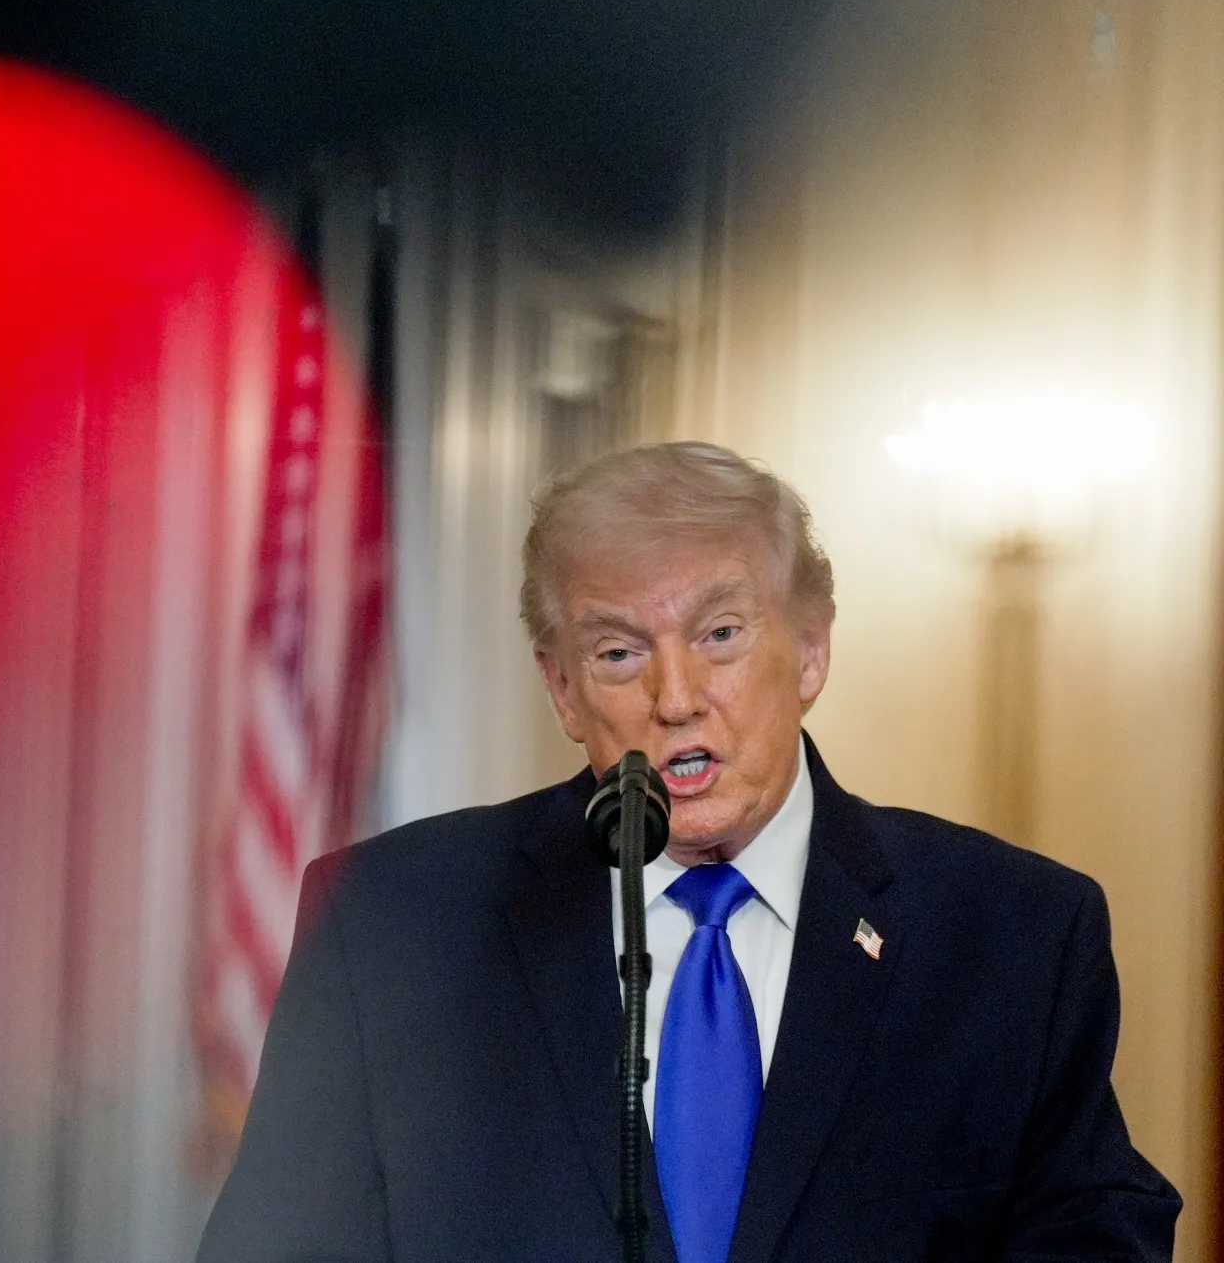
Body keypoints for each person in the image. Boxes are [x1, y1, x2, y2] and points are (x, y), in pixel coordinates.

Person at [196, 442, 1178, 1263]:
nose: (674, 698)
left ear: (809, 649)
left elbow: (1089, 1237)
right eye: (617, 651)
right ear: (562, 689)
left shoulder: (1010, 934)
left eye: (718, 634)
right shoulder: (391, 922)